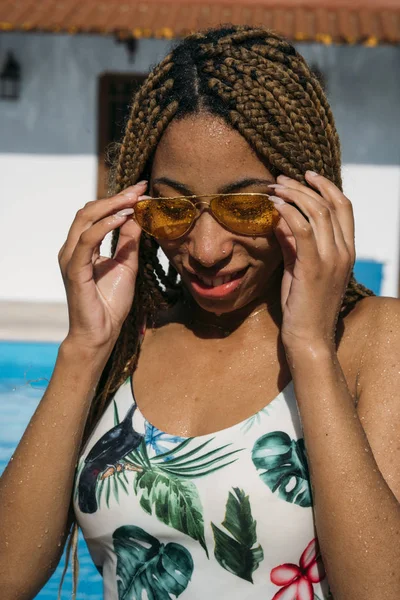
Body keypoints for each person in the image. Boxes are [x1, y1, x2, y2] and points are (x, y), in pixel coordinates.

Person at [1, 24, 399, 600]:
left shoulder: (369, 341)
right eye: (174, 207)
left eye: (244, 205)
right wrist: (84, 349)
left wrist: (310, 346)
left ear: (312, 196)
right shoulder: (127, 342)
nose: (207, 248)